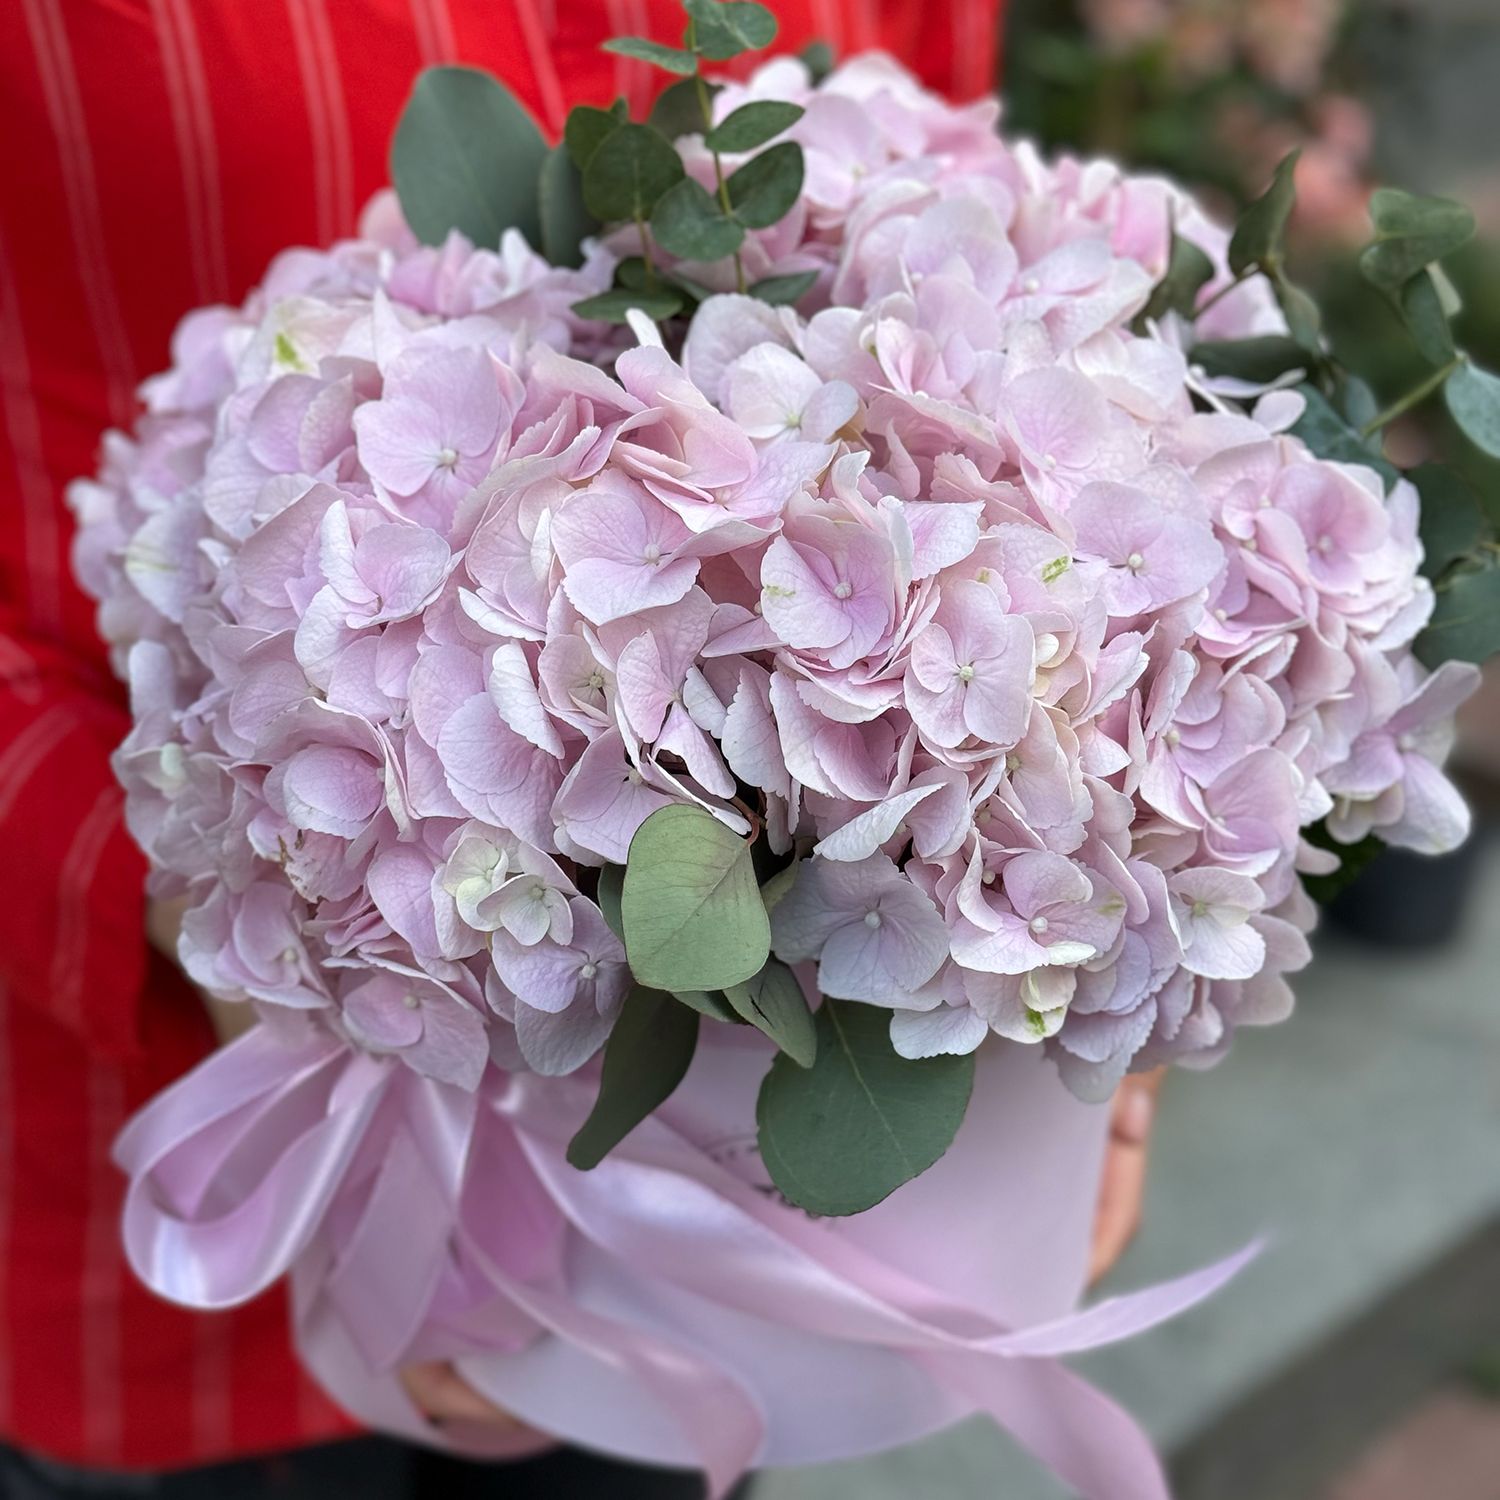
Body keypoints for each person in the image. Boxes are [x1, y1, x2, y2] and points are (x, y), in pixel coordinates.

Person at [0, 3, 1159, 1496]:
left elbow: (974, 241)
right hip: (193, 1225)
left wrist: (1121, 916)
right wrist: (241, 915)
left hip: (743, 1289)